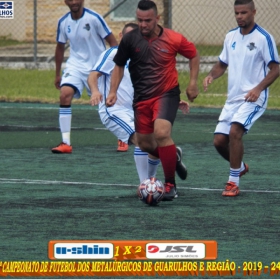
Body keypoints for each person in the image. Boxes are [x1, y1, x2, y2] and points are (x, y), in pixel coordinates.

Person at [106, 0, 200, 200]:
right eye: (139, 20)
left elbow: (193, 54)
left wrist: (192, 83)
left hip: (167, 94)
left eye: (147, 20)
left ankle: (170, 186)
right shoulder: (130, 40)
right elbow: (119, 66)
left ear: (157, 19)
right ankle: (172, 158)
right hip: (141, 98)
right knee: (145, 144)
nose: (143, 25)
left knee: (162, 133)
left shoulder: (173, 38)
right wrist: (112, 91)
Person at [203, 0, 279, 197]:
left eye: (244, 12)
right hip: (233, 100)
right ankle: (240, 167)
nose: (239, 17)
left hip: (254, 98)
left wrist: (258, 88)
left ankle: (233, 183)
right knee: (219, 141)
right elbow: (222, 63)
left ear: (254, 12)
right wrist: (211, 75)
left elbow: (276, 68)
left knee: (235, 131)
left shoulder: (264, 38)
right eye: (237, 13)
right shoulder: (230, 36)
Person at [88, 22, 160, 183]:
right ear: (121, 36)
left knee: (153, 142)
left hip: (137, 110)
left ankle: (151, 180)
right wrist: (95, 91)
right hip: (115, 110)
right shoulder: (113, 53)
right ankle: (146, 182)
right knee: (142, 140)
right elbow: (93, 75)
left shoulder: (142, 57)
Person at [51, 0, 118, 154]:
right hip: (75, 67)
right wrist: (57, 73)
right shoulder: (63, 22)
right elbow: (60, 47)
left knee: (111, 103)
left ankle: (122, 137)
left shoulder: (94, 18)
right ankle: (66, 143)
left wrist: (115, 67)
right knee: (64, 94)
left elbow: (113, 42)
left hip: (97, 69)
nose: (74, 2)